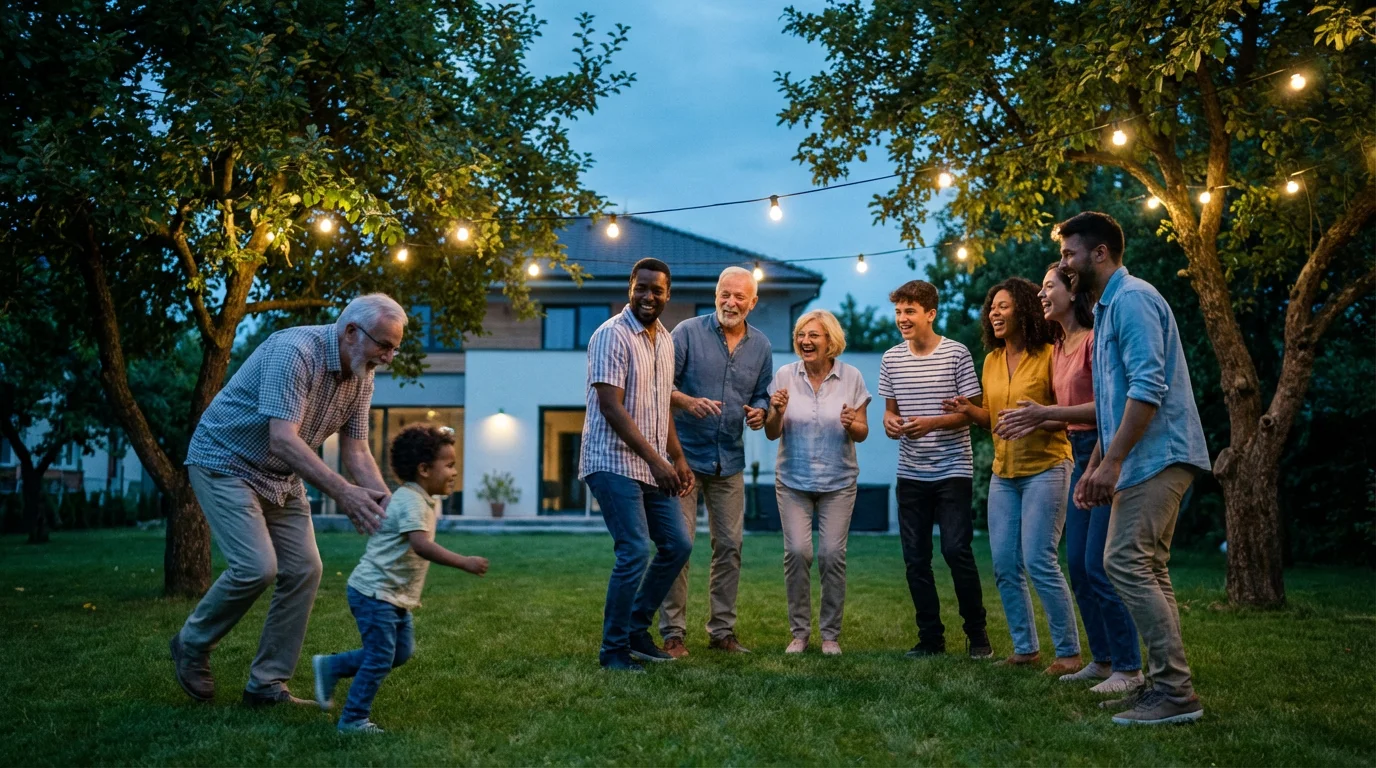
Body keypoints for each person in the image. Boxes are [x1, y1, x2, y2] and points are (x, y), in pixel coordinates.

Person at [170, 294, 405, 707]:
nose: (388, 356)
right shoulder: (294, 352)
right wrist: (344, 493)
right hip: (225, 460)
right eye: (383, 345)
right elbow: (282, 438)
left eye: (394, 347)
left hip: (281, 474)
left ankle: (266, 684)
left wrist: (388, 506)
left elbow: (357, 450)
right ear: (351, 331)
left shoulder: (362, 373)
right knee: (256, 567)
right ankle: (191, 642)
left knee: (304, 569)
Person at [1056, 211, 1211, 725]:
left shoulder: (1134, 299)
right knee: (1146, 567)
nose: (1065, 264)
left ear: (1099, 253)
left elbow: (1148, 387)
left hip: (1160, 453)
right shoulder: (1106, 310)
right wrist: (1097, 464)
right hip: (1140, 455)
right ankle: (1166, 686)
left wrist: (1114, 460)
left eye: (1069, 253)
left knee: (1121, 561)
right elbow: (1110, 401)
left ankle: (1175, 691)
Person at [996, 263, 1144, 694]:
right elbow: (1055, 413)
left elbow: (1110, 407)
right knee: (1078, 565)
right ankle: (1101, 660)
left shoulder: (1095, 342)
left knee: (1100, 566)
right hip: (1080, 455)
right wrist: (1035, 420)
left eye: (1049, 286)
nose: (1042, 294)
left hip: (1106, 448)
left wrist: (1048, 416)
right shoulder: (1060, 346)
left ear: (1071, 291)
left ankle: (1129, 668)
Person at [943, 277, 1081, 676]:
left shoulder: (1050, 354)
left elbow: (1069, 415)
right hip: (1004, 473)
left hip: (1048, 467)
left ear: (1024, 308)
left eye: (1003, 306)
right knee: (1005, 563)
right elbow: (996, 419)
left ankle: (1069, 652)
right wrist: (970, 412)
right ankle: (1025, 648)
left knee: (1039, 559)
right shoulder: (990, 361)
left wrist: (1038, 420)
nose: (995, 313)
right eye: (992, 308)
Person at [312, 424, 489, 734]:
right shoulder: (410, 501)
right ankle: (353, 719)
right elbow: (420, 545)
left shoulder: (421, 499)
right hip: (374, 592)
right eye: (449, 465)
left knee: (399, 653)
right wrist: (464, 562)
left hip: (393, 595)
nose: (454, 472)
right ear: (423, 469)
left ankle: (331, 666)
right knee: (380, 656)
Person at [580, 258, 696, 673]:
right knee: (632, 549)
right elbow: (611, 406)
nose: (648, 296)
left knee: (678, 544)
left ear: (668, 294)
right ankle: (613, 651)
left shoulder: (665, 340)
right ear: (630, 287)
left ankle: (635, 630)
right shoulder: (611, 335)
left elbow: (660, 403)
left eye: (657, 290)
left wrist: (677, 458)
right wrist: (657, 461)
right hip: (610, 461)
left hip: (652, 463)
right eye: (641, 288)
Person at [658, 267, 772, 657]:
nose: (731, 302)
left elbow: (762, 395)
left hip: (730, 460)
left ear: (753, 302)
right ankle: (673, 633)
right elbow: (660, 386)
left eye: (740, 296)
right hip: (683, 459)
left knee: (730, 547)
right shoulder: (686, 333)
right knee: (679, 545)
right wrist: (687, 401)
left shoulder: (762, 347)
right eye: (725, 293)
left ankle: (722, 632)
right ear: (716, 294)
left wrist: (759, 411)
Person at [878, 280, 992, 659]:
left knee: (957, 550)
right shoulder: (891, 359)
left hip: (952, 469)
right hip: (910, 473)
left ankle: (977, 636)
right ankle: (931, 639)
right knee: (915, 558)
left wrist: (929, 423)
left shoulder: (956, 354)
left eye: (909, 311)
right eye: (898, 312)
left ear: (930, 313)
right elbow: (890, 412)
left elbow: (971, 414)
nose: (902, 319)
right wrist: (891, 424)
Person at [764, 310, 871, 656]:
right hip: (793, 480)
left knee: (831, 555)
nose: (806, 341)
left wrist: (851, 422)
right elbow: (770, 432)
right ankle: (799, 633)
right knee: (797, 552)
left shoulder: (851, 376)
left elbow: (863, 432)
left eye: (814, 335)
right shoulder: (784, 375)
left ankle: (829, 636)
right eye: (801, 335)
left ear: (831, 341)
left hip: (838, 482)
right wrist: (776, 411)